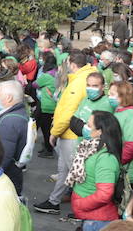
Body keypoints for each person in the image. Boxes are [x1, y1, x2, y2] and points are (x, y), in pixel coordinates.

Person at [57, 109, 124, 231]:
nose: (84, 127)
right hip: (92, 217)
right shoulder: (91, 149)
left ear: (99, 131)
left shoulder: (105, 158)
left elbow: (104, 193)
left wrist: (80, 205)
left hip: (98, 220)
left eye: (89, 125)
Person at [36, 50, 97, 215]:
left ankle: (84, 210)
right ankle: (53, 201)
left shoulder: (78, 83)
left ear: (72, 64)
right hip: (70, 132)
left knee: (75, 172)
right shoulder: (83, 78)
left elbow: (67, 111)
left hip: (70, 134)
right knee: (65, 170)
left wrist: (54, 132)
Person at [0, 80, 31, 192]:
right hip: (12, 175)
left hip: (4, 179)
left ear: (8, 98)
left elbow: (3, 156)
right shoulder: (18, 114)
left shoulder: (9, 121)